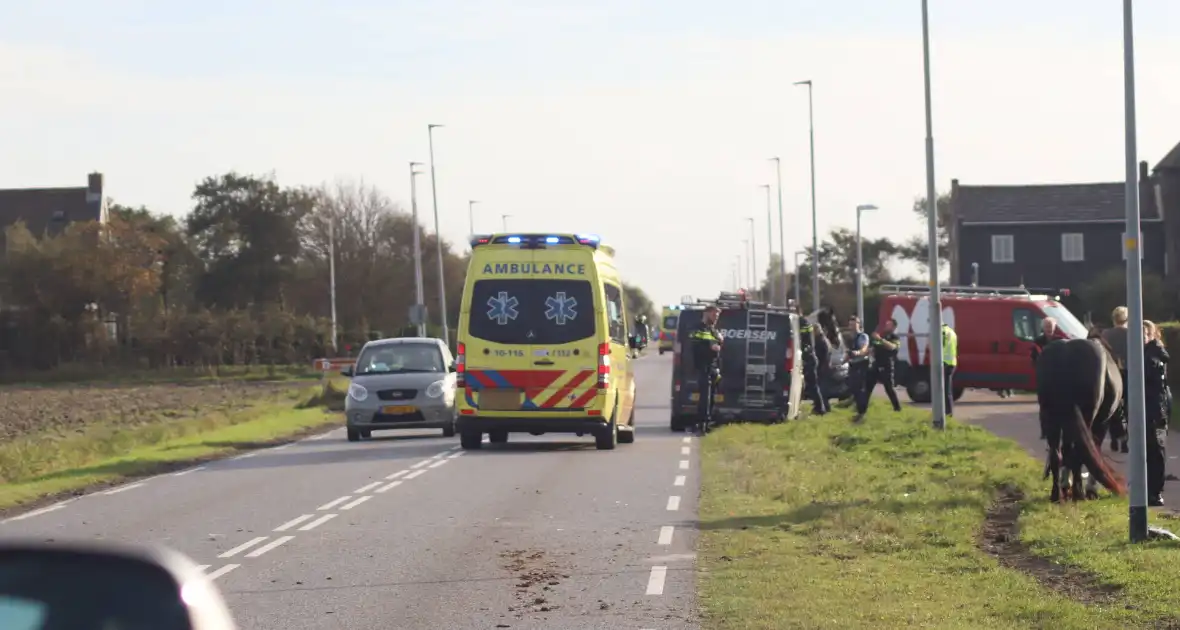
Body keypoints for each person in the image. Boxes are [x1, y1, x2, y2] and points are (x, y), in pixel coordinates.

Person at [1144, 320, 1170, 506]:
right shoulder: (1138, 352)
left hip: (1157, 410)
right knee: (1143, 450)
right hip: (1143, 409)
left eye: (1144, 334)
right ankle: (1145, 490)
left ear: (1151, 335)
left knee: (1157, 450)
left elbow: (1158, 384)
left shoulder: (1156, 354)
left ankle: (1156, 491)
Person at [689, 305, 724, 435]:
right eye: (714, 315)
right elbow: (696, 344)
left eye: (717, 316)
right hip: (703, 366)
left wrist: (719, 341)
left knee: (711, 397)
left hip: (713, 368)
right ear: (707, 313)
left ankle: (708, 422)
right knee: (705, 396)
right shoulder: (697, 328)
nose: (716, 318)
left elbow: (719, 341)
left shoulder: (713, 330)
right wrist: (712, 347)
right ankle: (702, 424)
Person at [860, 317, 903, 417]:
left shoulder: (895, 337)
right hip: (876, 365)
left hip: (886, 366)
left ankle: (897, 408)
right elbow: (873, 348)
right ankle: (862, 411)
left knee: (889, 388)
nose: (886, 326)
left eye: (889, 324)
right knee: (868, 387)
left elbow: (892, 347)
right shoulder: (882, 335)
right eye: (886, 324)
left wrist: (880, 339)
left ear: (893, 327)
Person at [1102, 306, 1131, 454]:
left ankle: (1114, 437)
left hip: (1110, 374)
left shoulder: (1106, 334)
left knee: (1113, 407)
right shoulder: (1131, 334)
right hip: (1128, 373)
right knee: (1127, 408)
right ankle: (1126, 440)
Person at [798, 312, 829, 415]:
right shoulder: (816, 338)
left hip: (811, 361)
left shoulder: (819, 340)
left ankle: (820, 408)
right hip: (812, 361)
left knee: (813, 386)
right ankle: (820, 407)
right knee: (812, 386)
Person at [846, 315, 872, 422]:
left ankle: (862, 413)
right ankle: (859, 412)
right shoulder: (850, 337)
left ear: (859, 324)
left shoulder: (863, 336)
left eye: (854, 324)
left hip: (861, 364)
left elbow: (864, 348)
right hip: (853, 364)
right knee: (853, 388)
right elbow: (849, 352)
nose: (852, 326)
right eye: (850, 324)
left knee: (859, 389)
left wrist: (858, 353)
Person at [941, 321, 958, 418]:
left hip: (944, 362)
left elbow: (940, 347)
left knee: (943, 390)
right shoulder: (952, 331)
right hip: (952, 362)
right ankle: (948, 412)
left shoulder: (942, 332)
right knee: (947, 390)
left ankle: (947, 413)